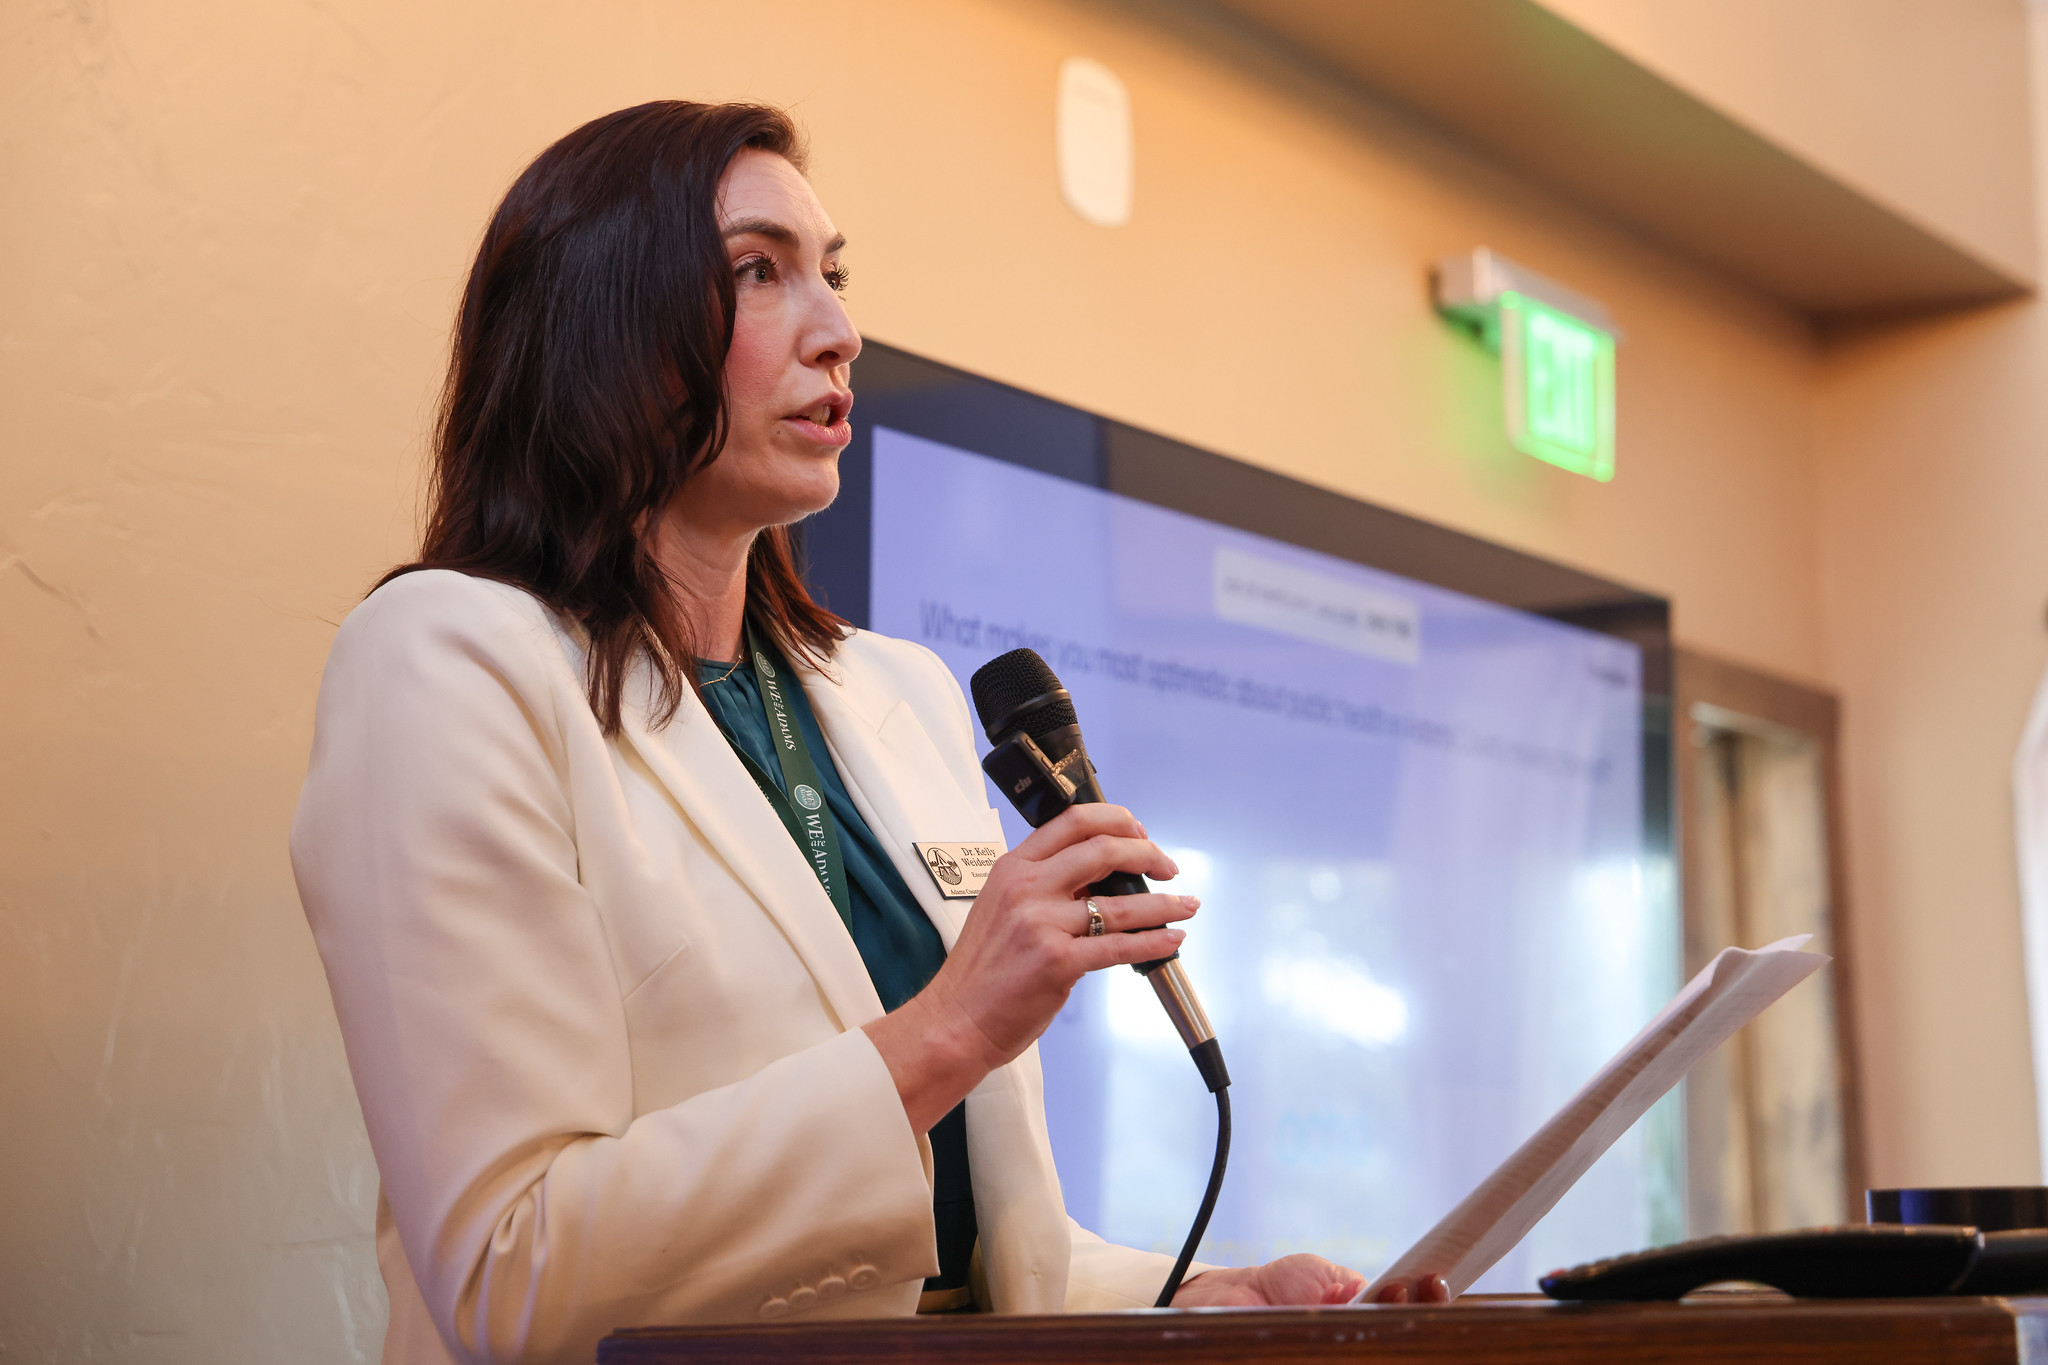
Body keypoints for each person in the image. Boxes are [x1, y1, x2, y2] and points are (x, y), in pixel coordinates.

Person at [291, 100, 1444, 1365]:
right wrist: (947, 1028)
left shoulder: (891, 691)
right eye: (757, 273)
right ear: (601, 325)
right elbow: (513, 1275)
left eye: (833, 277)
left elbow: (966, 1265)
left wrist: (1192, 1296)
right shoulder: (451, 660)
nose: (839, 333)